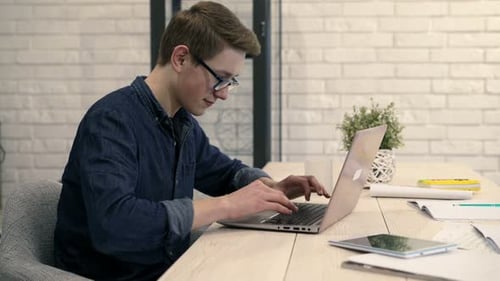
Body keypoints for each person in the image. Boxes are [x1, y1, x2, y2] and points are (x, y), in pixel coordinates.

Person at [54, 2, 330, 281]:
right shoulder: (112, 120)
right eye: (220, 79)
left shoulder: (182, 124)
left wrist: (270, 187)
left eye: (231, 82)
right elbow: (115, 224)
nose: (224, 94)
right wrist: (226, 205)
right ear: (181, 58)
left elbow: (226, 173)